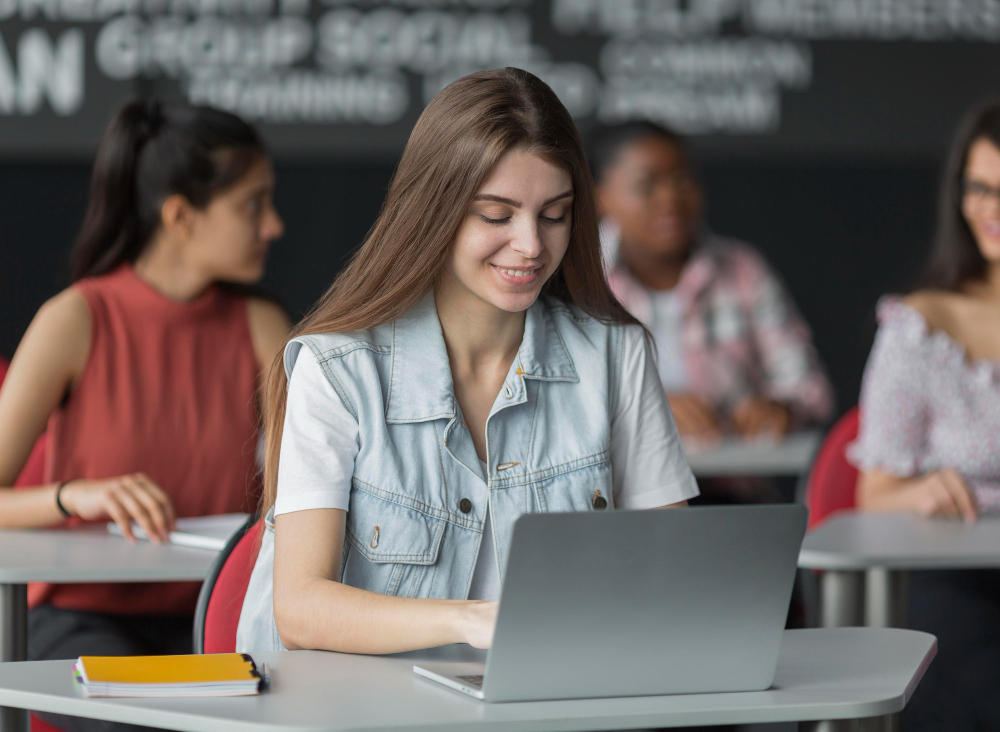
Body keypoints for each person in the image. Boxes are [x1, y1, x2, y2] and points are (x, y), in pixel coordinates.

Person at [236, 68, 699, 656]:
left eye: (554, 214)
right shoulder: (337, 370)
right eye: (497, 215)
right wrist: (470, 621)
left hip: (549, 705)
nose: (531, 244)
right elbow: (301, 609)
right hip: (365, 712)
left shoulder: (617, 354)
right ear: (436, 210)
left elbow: (680, 575)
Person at [0, 100, 289, 731]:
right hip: (83, 618)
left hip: (214, 616)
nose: (274, 226)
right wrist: (77, 495)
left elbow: (309, 481)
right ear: (181, 216)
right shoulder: (75, 319)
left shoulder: (263, 327)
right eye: (252, 204)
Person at [849, 100, 1000, 731]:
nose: (991, 209)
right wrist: (920, 492)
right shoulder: (921, 325)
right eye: (980, 188)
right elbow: (871, 492)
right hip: (966, 581)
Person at [591, 123, 833, 443]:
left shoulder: (743, 270)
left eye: (682, 179)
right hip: (614, 489)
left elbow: (810, 386)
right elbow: (554, 399)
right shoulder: (578, 278)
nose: (670, 199)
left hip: (730, 485)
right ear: (600, 198)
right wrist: (644, 407)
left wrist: (781, 408)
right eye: (646, 185)